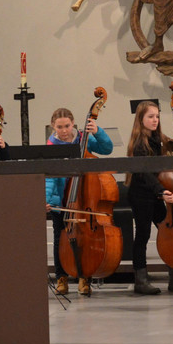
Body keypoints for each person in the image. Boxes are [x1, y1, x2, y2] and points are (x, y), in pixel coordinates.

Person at [125, 101, 173, 295]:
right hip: (141, 194)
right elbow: (144, 173)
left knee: (170, 233)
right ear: (141, 119)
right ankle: (140, 281)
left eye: (157, 116)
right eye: (150, 116)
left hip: (155, 193)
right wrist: (161, 192)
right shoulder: (139, 143)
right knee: (143, 235)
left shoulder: (158, 138)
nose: (155, 120)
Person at [45, 107, 113, 296]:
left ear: (73, 123)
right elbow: (49, 178)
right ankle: (61, 278)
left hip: (83, 198)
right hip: (62, 200)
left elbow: (107, 149)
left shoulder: (83, 139)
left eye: (67, 126)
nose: (64, 130)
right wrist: (46, 200)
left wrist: (98, 132)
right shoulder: (51, 146)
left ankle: (84, 277)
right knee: (60, 240)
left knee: (85, 240)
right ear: (53, 126)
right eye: (59, 127)